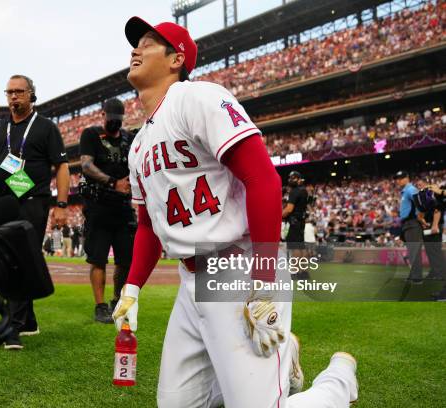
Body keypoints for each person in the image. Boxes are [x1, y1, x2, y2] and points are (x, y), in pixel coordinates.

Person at [112, 17, 358, 407]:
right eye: (136, 43)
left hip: (239, 270)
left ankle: (338, 380)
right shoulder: (139, 143)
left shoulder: (198, 98)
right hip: (191, 281)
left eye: (148, 42)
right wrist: (131, 287)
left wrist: (263, 281)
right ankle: (277, 360)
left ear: (177, 59)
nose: (135, 50)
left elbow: (264, 180)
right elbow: (147, 226)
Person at [0, 74, 70, 350]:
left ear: (31, 95)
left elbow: (61, 167)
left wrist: (61, 205)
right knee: (1, 257)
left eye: (19, 92)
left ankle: (12, 327)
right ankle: (28, 321)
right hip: (1, 201)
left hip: (33, 200)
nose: (14, 97)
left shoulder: (45, 127)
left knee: (21, 258)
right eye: (10, 92)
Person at [80, 98, 136, 323]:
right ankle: (100, 305)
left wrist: (130, 182)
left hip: (123, 209)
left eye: (117, 120)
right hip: (98, 207)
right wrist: (114, 182)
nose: (114, 123)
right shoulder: (91, 135)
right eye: (110, 118)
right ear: (103, 115)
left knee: (125, 260)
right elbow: (86, 165)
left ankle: (116, 300)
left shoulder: (128, 138)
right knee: (98, 259)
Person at [395, 170, 424, 284]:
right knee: (411, 251)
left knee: (414, 251)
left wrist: (421, 217)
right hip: (407, 224)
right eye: (397, 178)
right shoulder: (405, 191)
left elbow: (421, 203)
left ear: (407, 178)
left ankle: (417, 277)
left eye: (400, 178)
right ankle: (414, 275)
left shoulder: (410, 189)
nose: (398, 180)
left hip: (412, 223)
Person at [414, 180, 445, 282]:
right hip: (427, 224)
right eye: (417, 184)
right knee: (430, 250)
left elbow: (438, 209)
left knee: (435, 250)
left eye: (421, 183)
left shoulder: (432, 191)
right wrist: (422, 220)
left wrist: (435, 225)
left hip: (435, 224)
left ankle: (441, 273)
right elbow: (422, 212)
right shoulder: (421, 195)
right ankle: (435, 271)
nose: (419, 185)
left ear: (426, 183)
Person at [283, 171, 310, 279]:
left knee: (295, 247)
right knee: (301, 247)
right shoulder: (304, 191)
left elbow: (289, 209)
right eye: (290, 177)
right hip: (301, 221)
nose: (291, 179)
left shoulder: (294, 191)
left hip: (294, 222)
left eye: (294, 178)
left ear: (299, 179)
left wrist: (278, 215)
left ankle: (295, 271)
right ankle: (304, 272)